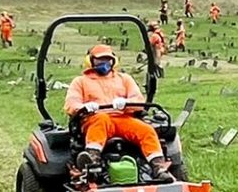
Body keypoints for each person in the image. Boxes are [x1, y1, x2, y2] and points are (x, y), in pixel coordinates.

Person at [63, 44, 173, 181]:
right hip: (95, 120)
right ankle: (92, 161)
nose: (104, 63)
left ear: (113, 61)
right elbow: (71, 104)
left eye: (108, 59)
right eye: (100, 59)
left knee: (146, 130)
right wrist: (84, 107)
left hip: (123, 118)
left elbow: (138, 100)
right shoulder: (80, 82)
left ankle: (159, 168)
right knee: (101, 120)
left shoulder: (124, 79)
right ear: (90, 61)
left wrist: (127, 104)